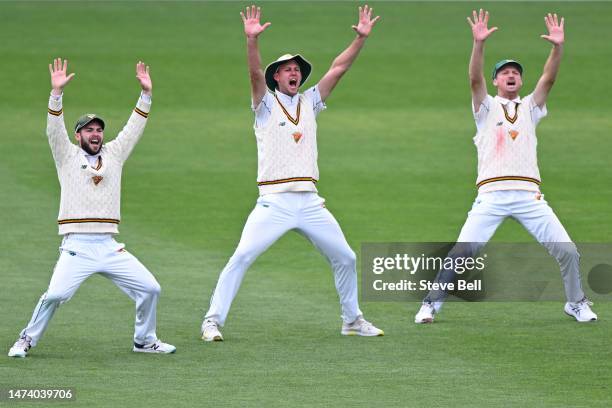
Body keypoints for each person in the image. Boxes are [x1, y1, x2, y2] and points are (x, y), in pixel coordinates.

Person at [201, 5, 384, 341]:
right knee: (242, 256)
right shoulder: (265, 104)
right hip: (274, 202)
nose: (293, 72)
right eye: (286, 69)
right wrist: (251, 40)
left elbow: (338, 68)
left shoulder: (311, 101)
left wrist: (359, 39)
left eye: (296, 69)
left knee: (345, 257)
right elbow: (254, 74)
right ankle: (212, 321)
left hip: (310, 202)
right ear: (276, 77)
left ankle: (352, 320)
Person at [414, 10, 598, 324]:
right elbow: (474, 79)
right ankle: (431, 304)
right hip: (491, 195)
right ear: (497, 80)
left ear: (521, 80)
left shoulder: (531, 107)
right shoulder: (486, 106)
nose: (511, 76)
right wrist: (478, 43)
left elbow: (549, 79)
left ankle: (576, 302)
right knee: (461, 254)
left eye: (515, 72)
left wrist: (558, 47)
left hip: (529, 195)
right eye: (504, 73)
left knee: (567, 251)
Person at [8, 58, 176, 357]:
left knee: (151, 289)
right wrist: (56, 94)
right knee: (57, 294)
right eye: (88, 130)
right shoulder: (66, 156)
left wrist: (146, 95)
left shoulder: (115, 154)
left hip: (109, 245)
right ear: (78, 135)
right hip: (78, 246)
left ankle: (144, 341)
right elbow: (53, 129)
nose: (95, 134)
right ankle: (26, 340)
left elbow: (133, 128)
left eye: (98, 129)